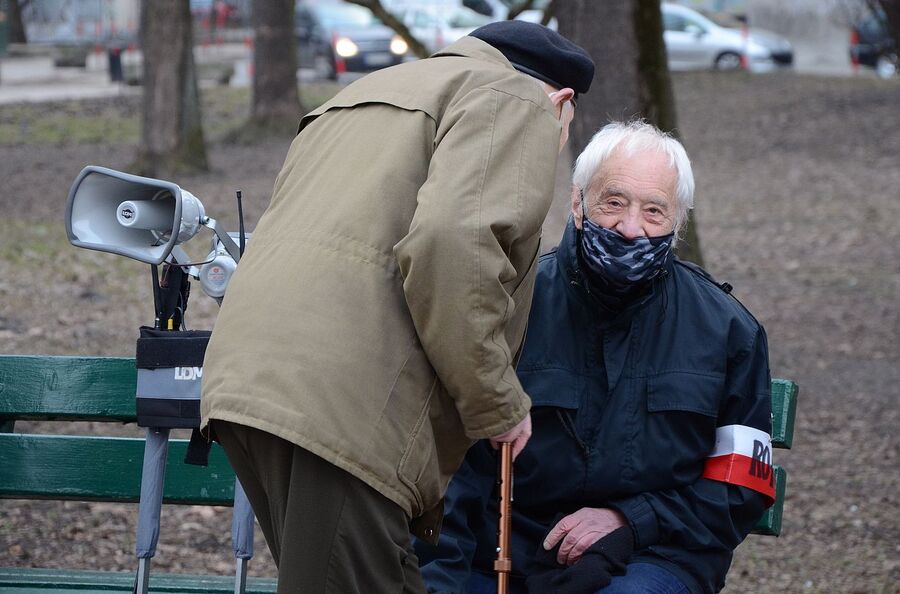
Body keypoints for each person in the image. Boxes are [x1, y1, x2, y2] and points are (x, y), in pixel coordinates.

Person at [200, 21, 595, 594]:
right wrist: (497, 403)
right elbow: (453, 245)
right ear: (561, 102)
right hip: (340, 406)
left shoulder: (370, 89)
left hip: (247, 380)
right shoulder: (517, 98)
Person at [417, 121, 774, 594]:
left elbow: (740, 490)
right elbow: (451, 474)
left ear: (678, 222)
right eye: (614, 202)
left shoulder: (728, 330)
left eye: (654, 211)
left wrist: (631, 520)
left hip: (655, 556)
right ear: (577, 203)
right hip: (506, 556)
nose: (631, 228)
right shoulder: (508, 311)